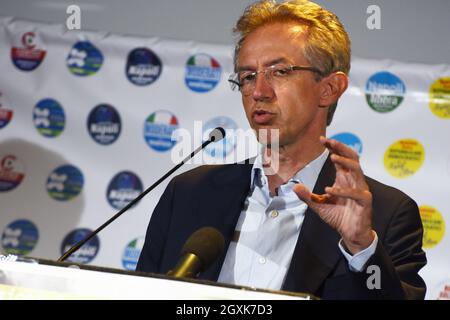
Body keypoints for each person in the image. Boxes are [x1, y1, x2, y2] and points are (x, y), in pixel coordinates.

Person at [136, 0, 427, 299]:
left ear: (329, 89)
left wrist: (360, 248)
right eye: (248, 76)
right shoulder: (188, 194)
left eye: (280, 72)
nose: (259, 92)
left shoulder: (387, 215)